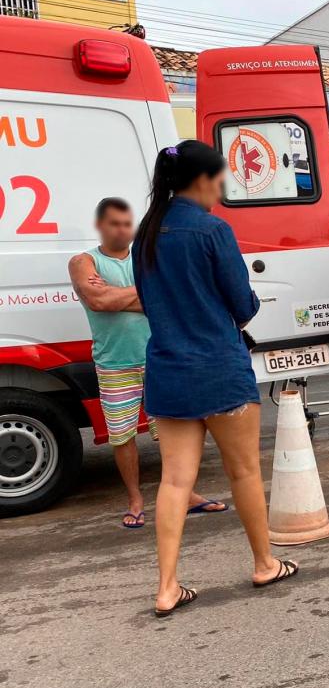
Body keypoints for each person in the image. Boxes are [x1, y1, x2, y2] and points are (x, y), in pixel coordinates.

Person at [133, 141, 295, 617]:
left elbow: (147, 299)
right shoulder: (212, 230)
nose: (221, 190)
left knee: (174, 481)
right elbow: (242, 304)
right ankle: (264, 563)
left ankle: (167, 587)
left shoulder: (147, 232)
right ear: (203, 180)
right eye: (220, 180)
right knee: (243, 471)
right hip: (219, 370)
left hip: (167, 371)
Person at [69, 197, 225, 529]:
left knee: (173, 431)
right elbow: (98, 300)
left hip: (158, 359)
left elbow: (168, 297)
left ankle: (187, 494)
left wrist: (116, 295)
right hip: (114, 364)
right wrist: (143, 293)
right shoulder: (83, 261)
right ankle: (135, 500)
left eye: (127, 223)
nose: (122, 229)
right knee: (122, 436)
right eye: (114, 223)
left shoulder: (146, 256)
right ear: (100, 226)